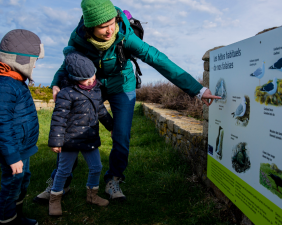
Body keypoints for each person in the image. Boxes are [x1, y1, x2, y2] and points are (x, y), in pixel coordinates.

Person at [36, 0, 221, 202]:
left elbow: (157, 58)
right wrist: (55, 82)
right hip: (90, 84)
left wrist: (198, 90)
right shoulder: (78, 38)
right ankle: (61, 182)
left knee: (121, 134)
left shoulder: (124, 34)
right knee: (72, 129)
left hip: (122, 85)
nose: (109, 31)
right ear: (89, 28)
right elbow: (68, 63)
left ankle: (113, 180)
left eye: (111, 23)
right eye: (102, 27)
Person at [48, 49, 113, 216]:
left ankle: (92, 195)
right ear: (75, 79)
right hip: (70, 140)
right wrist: (56, 141)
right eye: (86, 78)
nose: (91, 79)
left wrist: (111, 126)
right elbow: (59, 118)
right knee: (63, 170)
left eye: (92, 75)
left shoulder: (96, 89)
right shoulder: (66, 93)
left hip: (89, 137)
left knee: (97, 167)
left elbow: (101, 111)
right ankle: (55, 198)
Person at [0, 29, 44, 225]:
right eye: (34, 61)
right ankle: (7, 220)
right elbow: (2, 123)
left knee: (22, 180)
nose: (35, 66)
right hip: (14, 151)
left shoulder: (16, 80)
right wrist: (12, 156)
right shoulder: (6, 85)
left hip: (22, 148)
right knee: (11, 185)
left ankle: (18, 216)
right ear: (21, 60)